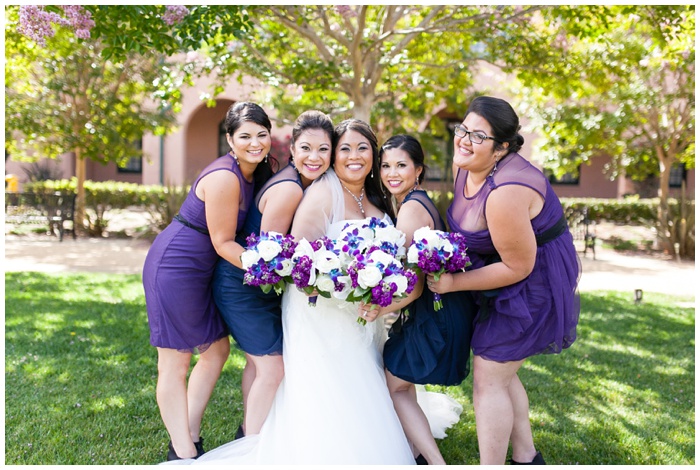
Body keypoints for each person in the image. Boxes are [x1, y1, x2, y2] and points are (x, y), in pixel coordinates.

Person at [169, 119, 460, 465]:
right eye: (345, 149)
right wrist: (348, 285)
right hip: (320, 313)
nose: (354, 156)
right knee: (332, 384)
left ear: (374, 154)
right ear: (335, 156)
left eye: (363, 148)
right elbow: (301, 267)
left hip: (364, 317)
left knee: (366, 379)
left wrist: (380, 289)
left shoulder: (379, 197)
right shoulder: (320, 194)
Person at [427, 96, 581, 465]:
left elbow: (518, 267)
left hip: (533, 280)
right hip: (498, 268)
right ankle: (527, 457)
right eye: (462, 129)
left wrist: (452, 283)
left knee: (490, 377)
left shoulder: (506, 192)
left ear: (502, 148)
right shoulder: (467, 163)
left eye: (477, 136)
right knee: (502, 370)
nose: (463, 139)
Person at [142, 102, 275, 461]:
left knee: (216, 351)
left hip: (202, 270)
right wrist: (270, 269)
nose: (255, 143)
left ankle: (190, 432)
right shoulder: (226, 177)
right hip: (176, 267)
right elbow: (222, 242)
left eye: (261, 135)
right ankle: (183, 453)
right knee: (174, 362)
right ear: (230, 139)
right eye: (245, 136)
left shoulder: (253, 174)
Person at [211, 110, 334, 439]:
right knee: (271, 368)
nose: (314, 157)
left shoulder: (306, 183)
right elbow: (271, 259)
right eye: (306, 148)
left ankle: (248, 430)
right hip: (241, 287)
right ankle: (250, 445)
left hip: (256, 288)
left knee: (257, 364)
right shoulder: (290, 190)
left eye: (324, 149)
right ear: (292, 149)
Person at [371, 134, 475, 465]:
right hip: (436, 309)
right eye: (385, 166)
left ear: (418, 170)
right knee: (401, 377)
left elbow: (412, 287)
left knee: (396, 385)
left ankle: (433, 461)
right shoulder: (415, 200)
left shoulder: (412, 209)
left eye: (401, 165)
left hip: (436, 313)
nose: (391, 173)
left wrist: (377, 309)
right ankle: (415, 452)